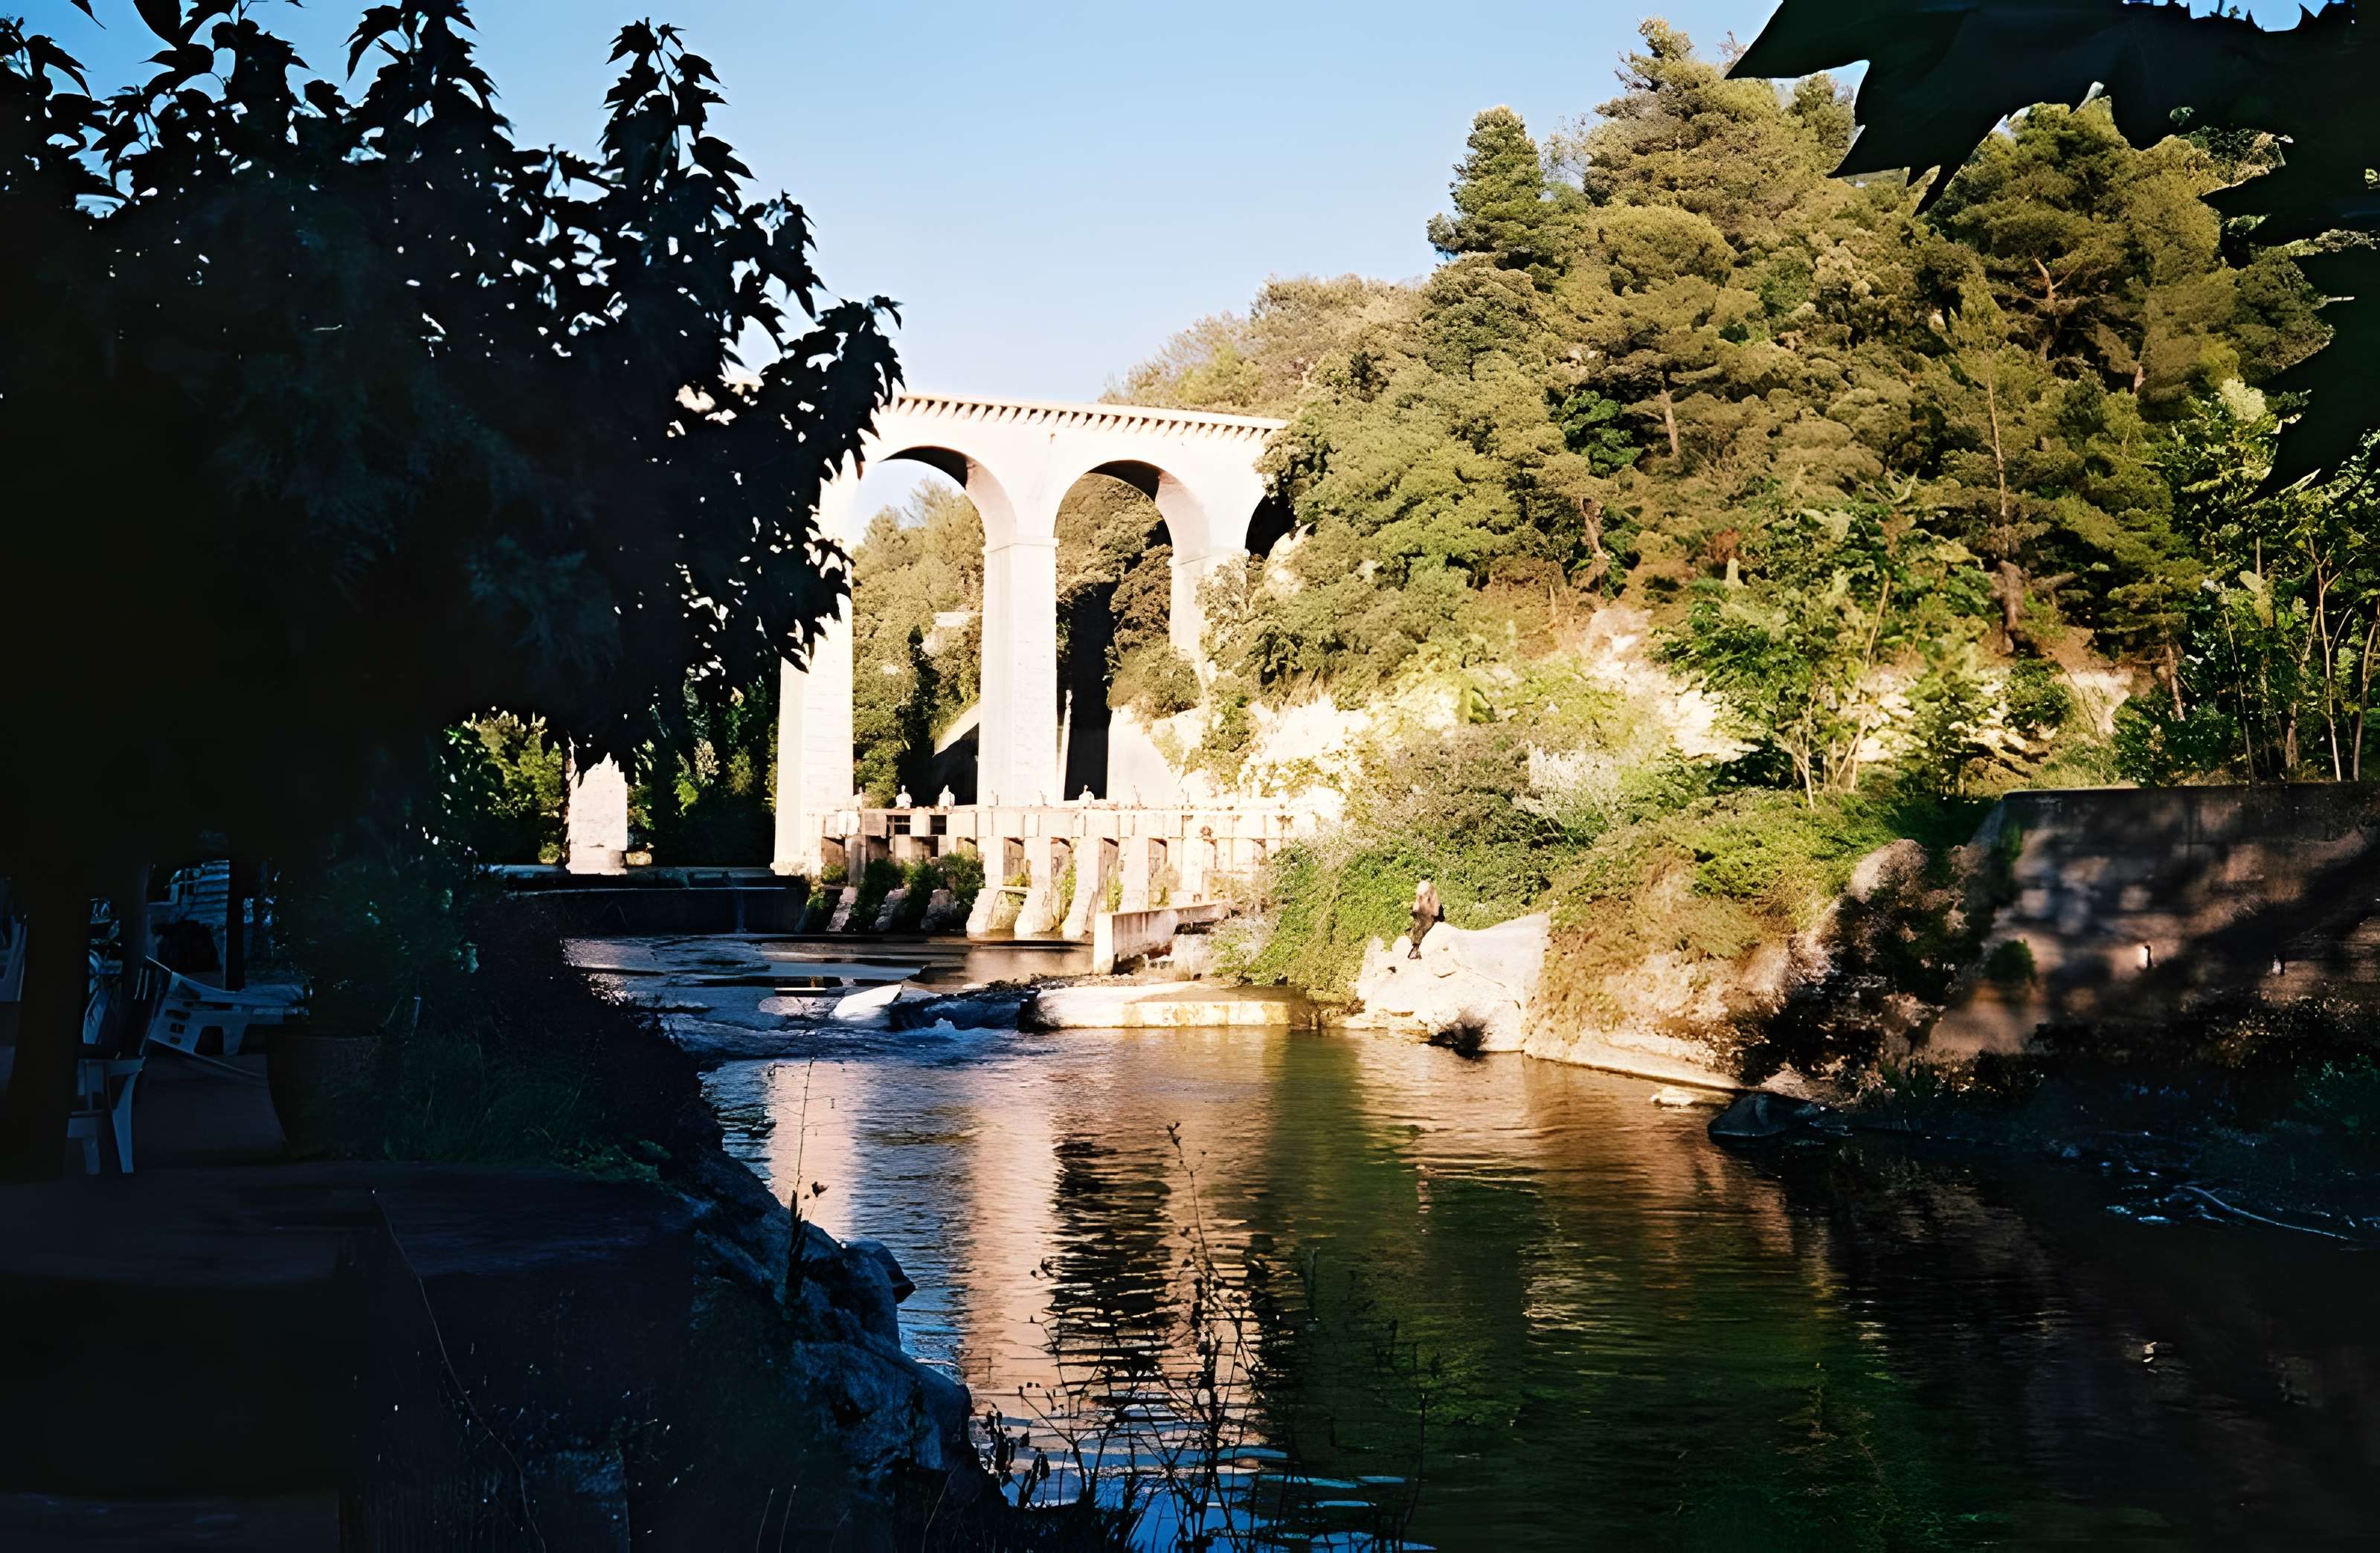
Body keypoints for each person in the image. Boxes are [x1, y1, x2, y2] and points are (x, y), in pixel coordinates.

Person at [1408, 878, 1441, 960]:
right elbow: (1416, 906)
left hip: (1428, 917)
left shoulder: (1431, 893)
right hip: (1425, 917)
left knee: (1422, 931)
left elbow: (1436, 910)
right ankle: (1417, 949)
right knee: (1419, 932)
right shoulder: (1426, 893)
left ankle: (1417, 950)